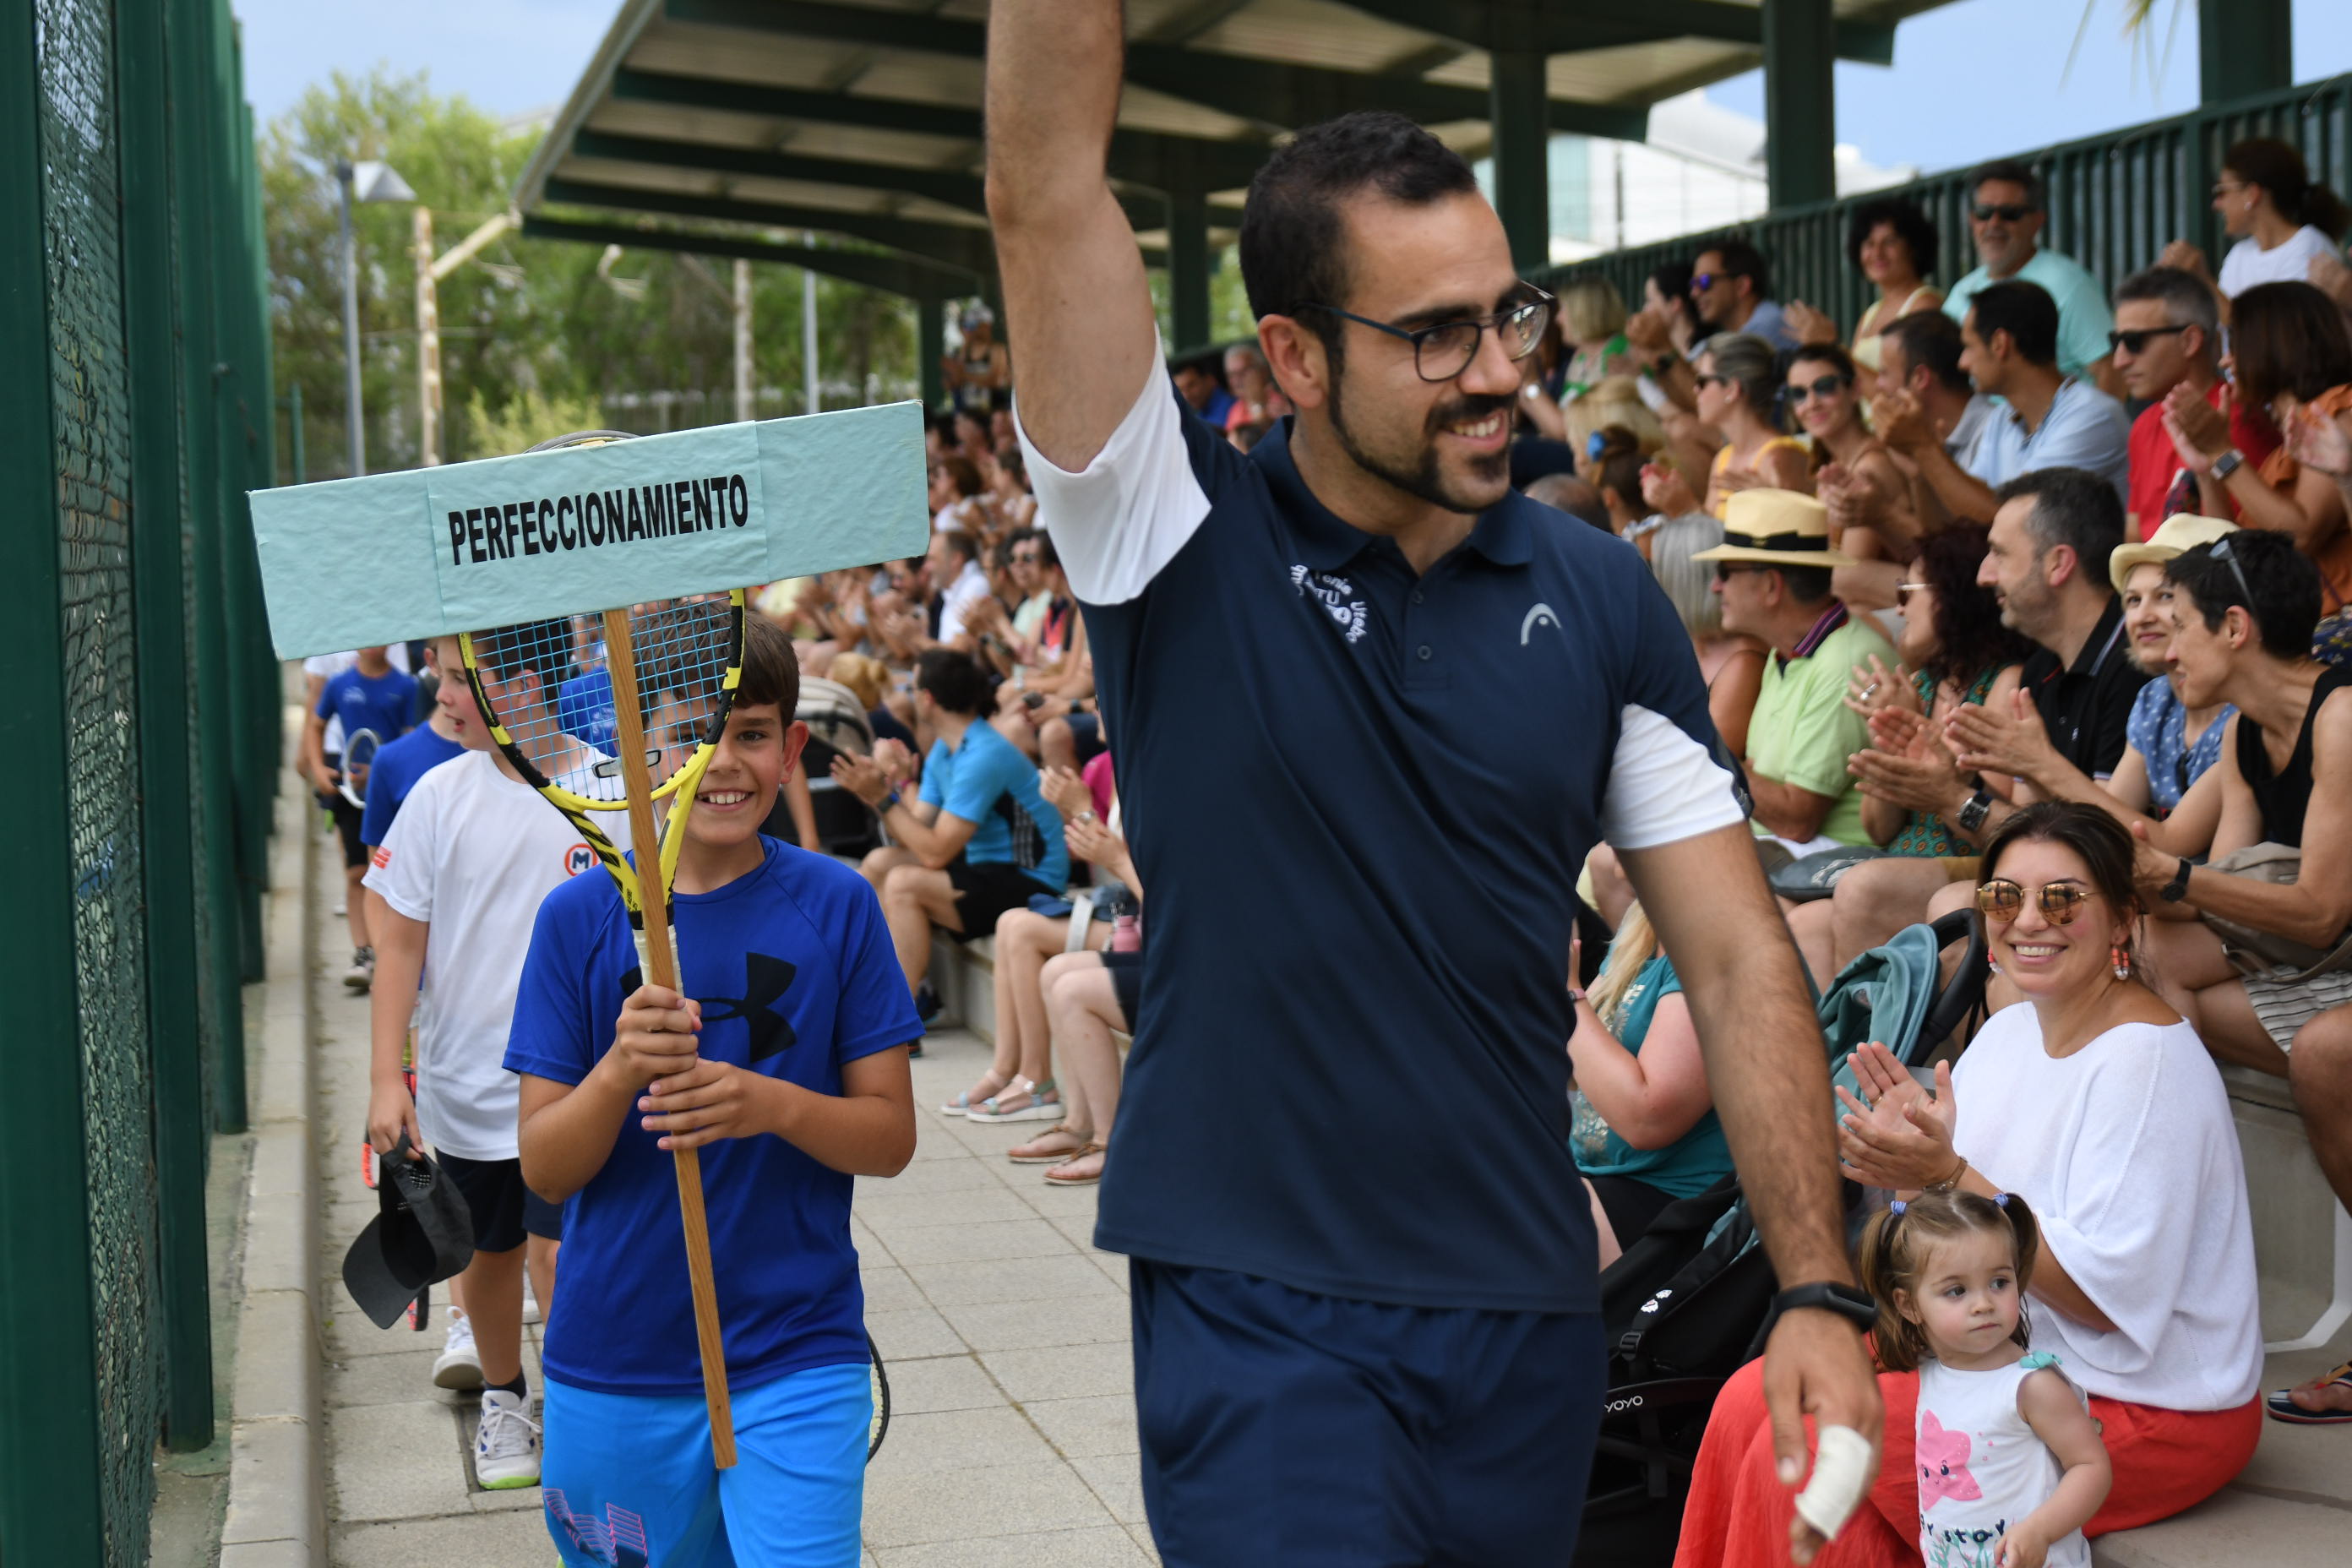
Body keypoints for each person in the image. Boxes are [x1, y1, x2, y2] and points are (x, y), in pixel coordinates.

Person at [988, 8, 1882, 1559]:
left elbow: (1740, 958)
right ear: (1293, 357)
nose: (1499, 374)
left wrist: (1814, 1285)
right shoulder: (1166, 529)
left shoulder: (1600, 598)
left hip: (1524, 1306)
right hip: (1259, 1306)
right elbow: (1044, 187)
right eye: (1436, 337)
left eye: (1506, 318)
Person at [1678, 803, 2262, 1568]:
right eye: (2004, 896)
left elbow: (2104, 1304)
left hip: (2149, 1402)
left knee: (1823, 1443)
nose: (2030, 920)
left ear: (2124, 918)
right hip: (1988, 1348)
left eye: (2063, 898)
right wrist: (1903, 1174)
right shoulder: (2014, 1028)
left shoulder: (2146, 1066)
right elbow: (1948, 1243)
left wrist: (1948, 1172)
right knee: (1750, 1400)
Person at [507, 615, 919, 1565]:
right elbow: (546, 1168)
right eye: (691, 731)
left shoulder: (840, 905)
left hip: (797, 1347)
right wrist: (619, 1069)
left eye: (751, 733)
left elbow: (890, 1137)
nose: (723, 761)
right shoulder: (577, 919)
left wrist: (767, 1104)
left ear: (792, 749)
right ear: (634, 745)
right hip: (616, 1355)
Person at [362, 623, 627, 1489]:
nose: (439, 696)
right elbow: (399, 945)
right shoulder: (438, 795)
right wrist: (385, 1079)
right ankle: (505, 1400)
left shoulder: (610, 791)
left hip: (581, 1088)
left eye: (454, 679)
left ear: (519, 685)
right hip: (465, 1085)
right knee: (488, 1254)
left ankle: (581, 1407)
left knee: (561, 1256)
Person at [1831, 470, 2148, 971]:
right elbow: (2028, 826)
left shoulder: (2132, 668)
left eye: (1999, 553)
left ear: (2058, 564)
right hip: (2050, 883)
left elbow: (2104, 849)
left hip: (2118, 897)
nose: (1984, 576)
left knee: (1929, 898)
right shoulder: (2043, 669)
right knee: (1819, 917)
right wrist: (1946, 781)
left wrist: (1954, 795)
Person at [1854, 1190, 2112, 1568]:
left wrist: (2040, 1530)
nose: (1983, 1304)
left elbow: (2091, 1467)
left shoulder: (2031, 1387)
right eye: (1957, 1291)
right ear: (1909, 1305)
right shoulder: (1933, 1368)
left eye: (1999, 1282)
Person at [839, 650, 1069, 1010]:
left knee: (904, 882)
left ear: (928, 698)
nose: (911, 696)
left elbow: (934, 853)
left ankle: (900, 1011)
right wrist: (893, 785)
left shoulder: (984, 755)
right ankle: (873, 982)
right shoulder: (944, 752)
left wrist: (881, 798)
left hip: (1032, 881)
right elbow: (914, 832)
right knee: (882, 862)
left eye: (913, 688)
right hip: (986, 869)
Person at [1696, 490, 1889, 854]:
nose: (1715, 586)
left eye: (1725, 572)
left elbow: (1795, 821)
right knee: (1615, 859)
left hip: (1830, 858)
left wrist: (1706, 751)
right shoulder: (1787, 651)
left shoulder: (1844, 664)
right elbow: (1760, 776)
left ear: (1772, 586)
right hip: (1779, 847)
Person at [2160, 280, 2352, 618]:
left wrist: (2223, 452)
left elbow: (2299, 538)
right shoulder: (2282, 451)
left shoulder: (2337, 410)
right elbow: (2230, 553)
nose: (2225, 361)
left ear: (2274, 345)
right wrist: (2207, 468)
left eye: (2236, 345)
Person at [1567, 901, 1733, 1269]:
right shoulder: (1637, 937)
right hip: (1595, 1176)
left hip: (1673, 1205)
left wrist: (1567, 995)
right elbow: (1576, 1066)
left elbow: (1647, 1119)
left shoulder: (1709, 946)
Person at [1884, 282, 2131, 524]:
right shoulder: (2002, 418)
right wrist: (1920, 469)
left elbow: (2014, 521)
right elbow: (1960, 521)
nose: (1962, 363)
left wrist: (1925, 448)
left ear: (2000, 344)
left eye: (1968, 347)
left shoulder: (2090, 415)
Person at [2110, 265, 2277, 541]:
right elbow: (2136, 533)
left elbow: (2247, 543)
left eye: (2134, 341)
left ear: (2190, 341)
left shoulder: (2238, 418)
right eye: (2115, 341)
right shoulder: (2144, 425)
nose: (2119, 361)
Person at [1942, 161, 2118, 393]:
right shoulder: (1962, 291)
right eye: (1984, 213)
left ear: (2037, 221)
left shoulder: (2069, 283)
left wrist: (2089, 419)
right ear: (1973, 220)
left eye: (2010, 214)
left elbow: (2109, 370)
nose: (1994, 223)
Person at [304, 645, 418, 989]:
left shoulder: (406, 686)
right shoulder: (340, 684)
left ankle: (394, 952)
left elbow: (411, 739)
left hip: (392, 796)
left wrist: (381, 773)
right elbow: (315, 725)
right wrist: (319, 770)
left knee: (394, 872)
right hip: (351, 794)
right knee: (357, 872)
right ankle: (363, 953)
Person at [2162, 137, 2350, 304]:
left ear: (2252, 194)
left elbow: (2276, 330)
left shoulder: (2308, 246)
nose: (2216, 204)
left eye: (2222, 191)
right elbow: (2224, 328)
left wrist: (2204, 281)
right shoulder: (2239, 254)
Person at [1786, 197, 1944, 390]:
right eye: (1869, 244)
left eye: (1889, 242)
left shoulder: (1924, 304)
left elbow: (1908, 395)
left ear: (1914, 248)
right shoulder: (1870, 315)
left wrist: (1832, 346)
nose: (1877, 253)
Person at [1788, 343, 1915, 564]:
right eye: (1799, 394)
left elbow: (1852, 567)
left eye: (1825, 387)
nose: (1812, 403)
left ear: (1855, 390)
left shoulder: (1871, 466)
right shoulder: (1833, 461)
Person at [1696, 332, 1811, 519]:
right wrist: (1681, 505)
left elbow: (1802, 530)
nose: (1695, 390)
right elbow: (1711, 532)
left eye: (1702, 382)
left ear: (1732, 389)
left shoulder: (1781, 456)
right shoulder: (1723, 458)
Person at [1691, 237, 1799, 352]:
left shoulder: (1769, 325)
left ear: (1741, 286)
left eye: (1704, 281)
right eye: (1693, 283)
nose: (1694, 293)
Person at [944, 302, 1010, 415]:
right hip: (968, 413)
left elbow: (995, 381)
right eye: (970, 326)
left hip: (992, 412)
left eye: (977, 326)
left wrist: (965, 376)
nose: (975, 331)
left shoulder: (997, 350)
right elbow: (955, 381)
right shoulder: (964, 352)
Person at [1222, 340, 1290, 433]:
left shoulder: (1280, 403)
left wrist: (1257, 405)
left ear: (1263, 371)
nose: (1237, 379)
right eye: (1232, 374)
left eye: (1244, 371)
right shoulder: (1235, 410)